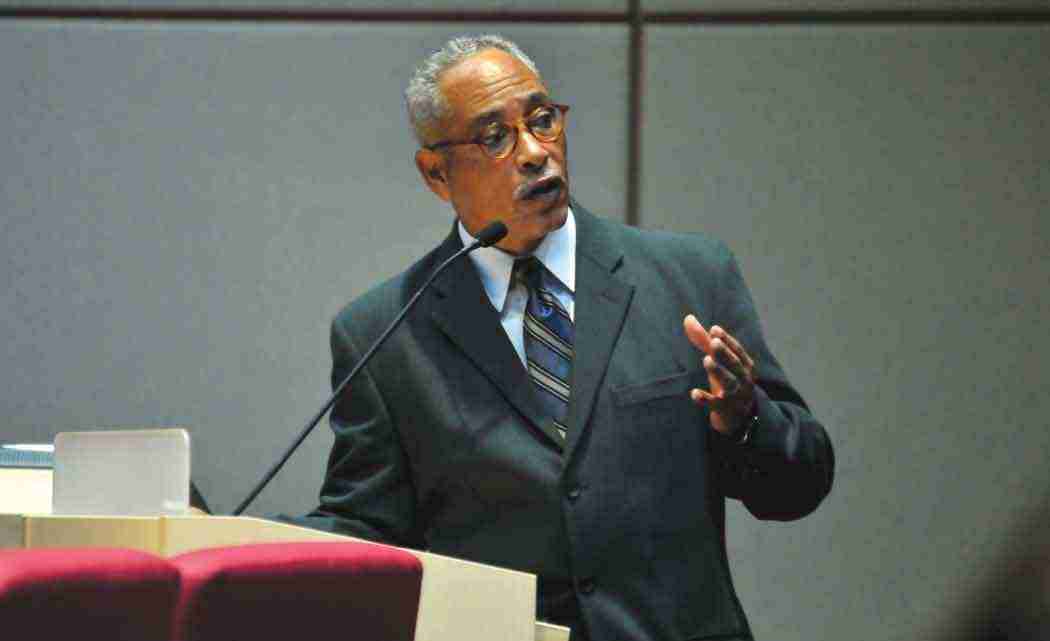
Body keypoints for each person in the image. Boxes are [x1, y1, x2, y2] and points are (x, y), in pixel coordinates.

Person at [300, 35, 834, 641]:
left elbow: (800, 486)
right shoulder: (385, 334)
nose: (534, 152)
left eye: (542, 120)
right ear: (436, 173)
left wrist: (744, 419)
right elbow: (367, 531)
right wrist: (236, 546)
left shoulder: (689, 278)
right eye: (495, 137)